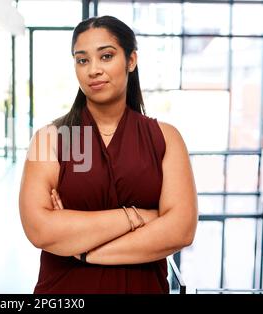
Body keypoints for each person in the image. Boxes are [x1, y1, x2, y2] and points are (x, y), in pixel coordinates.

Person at [18, 15, 198, 294]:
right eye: (82, 60)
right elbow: (40, 230)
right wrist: (139, 217)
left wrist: (83, 251)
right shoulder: (48, 138)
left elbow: (181, 230)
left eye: (106, 56)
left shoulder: (166, 138)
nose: (93, 70)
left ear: (131, 60)